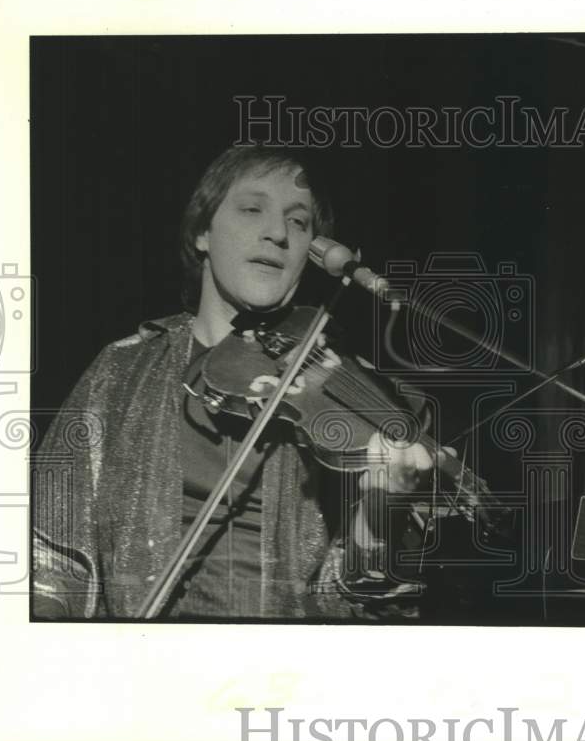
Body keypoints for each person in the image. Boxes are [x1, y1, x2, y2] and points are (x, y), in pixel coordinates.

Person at [31, 144, 437, 620]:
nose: (277, 233)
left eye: (298, 222)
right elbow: (52, 566)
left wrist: (379, 516)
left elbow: (349, 608)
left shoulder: (337, 392)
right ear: (202, 232)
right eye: (252, 209)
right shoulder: (122, 370)